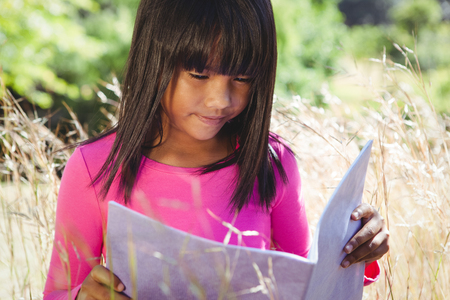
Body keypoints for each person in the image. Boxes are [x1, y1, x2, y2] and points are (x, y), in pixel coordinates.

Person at [43, 0, 389, 299]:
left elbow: (303, 282)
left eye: (241, 78)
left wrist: (353, 252)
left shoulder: (271, 163)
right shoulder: (95, 167)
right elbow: (59, 292)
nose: (220, 100)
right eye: (198, 74)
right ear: (154, 58)